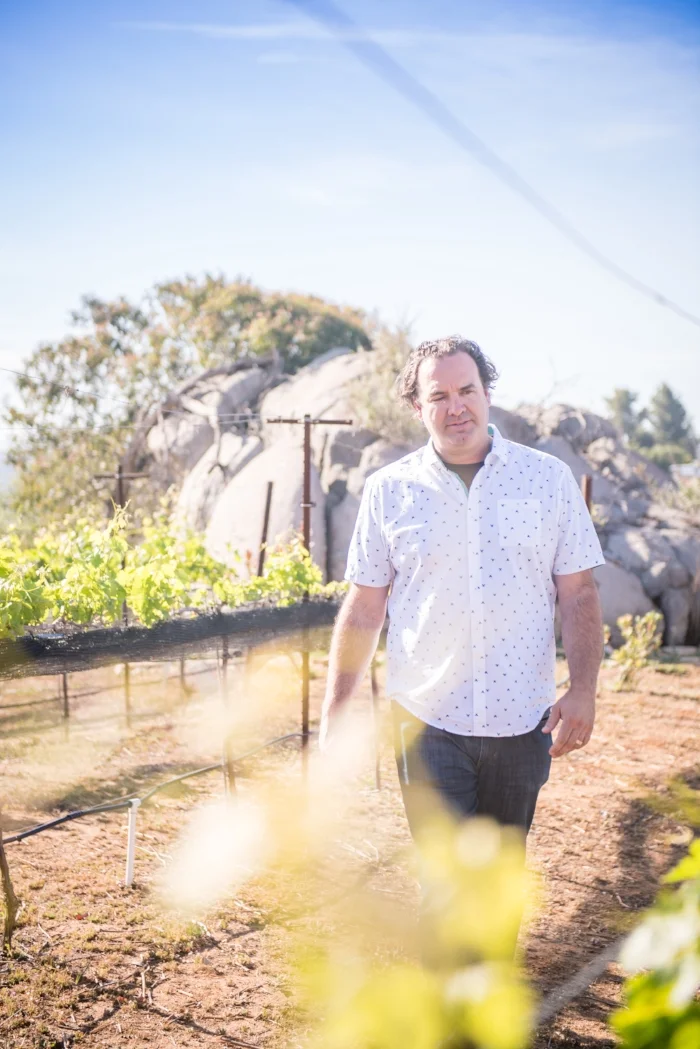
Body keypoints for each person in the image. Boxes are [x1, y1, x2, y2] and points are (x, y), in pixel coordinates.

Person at [319, 335, 605, 848]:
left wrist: (583, 688)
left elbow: (579, 594)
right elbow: (364, 610)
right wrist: (337, 711)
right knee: (445, 888)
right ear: (416, 407)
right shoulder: (390, 490)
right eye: (439, 396)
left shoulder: (547, 480)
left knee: (497, 888)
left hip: (523, 721)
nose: (456, 408)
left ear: (487, 393)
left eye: (466, 390)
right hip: (426, 720)